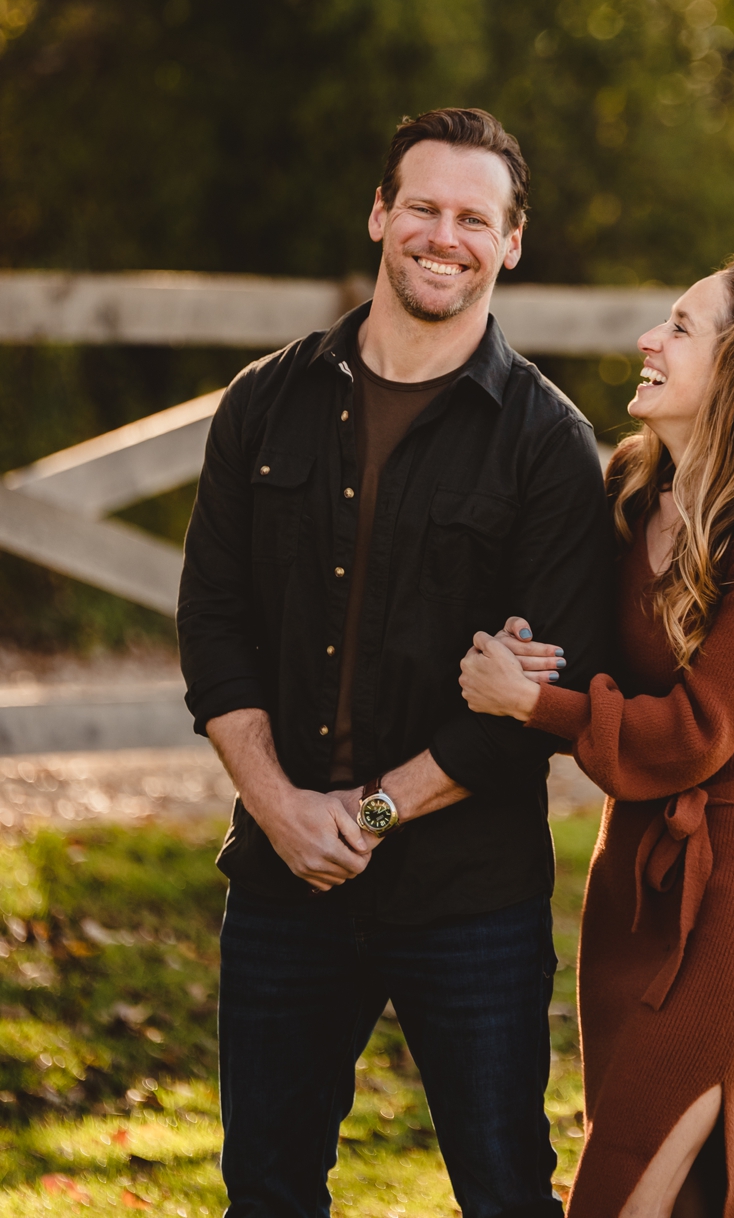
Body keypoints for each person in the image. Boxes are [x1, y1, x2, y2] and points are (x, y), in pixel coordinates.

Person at [177, 107, 614, 1218]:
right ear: (380, 213)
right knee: (267, 1191)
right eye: (422, 205)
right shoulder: (263, 400)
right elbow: (214, 625)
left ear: (511, 243)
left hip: (469, 892)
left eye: (475, 216)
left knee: (505, 1192)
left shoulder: (549, 445)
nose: (443, 234)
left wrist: (365, 817)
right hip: (280, 884)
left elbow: (534, 699)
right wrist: (278, 807)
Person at [458, 258, 734, 1218]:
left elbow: (695, 734)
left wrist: (532, 706)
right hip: (630, 874)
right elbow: (584, 647)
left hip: (733, 896)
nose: (649, 339)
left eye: (682, 327)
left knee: (624, 1190)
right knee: (665, 1191)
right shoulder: (636, 491)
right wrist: (526, 651)